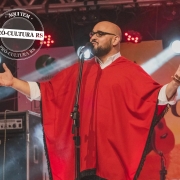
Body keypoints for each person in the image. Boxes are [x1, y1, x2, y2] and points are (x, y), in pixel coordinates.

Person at [0, 21, 180, 180]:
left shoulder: (130, 71)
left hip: (113, 159)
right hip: (83, 159)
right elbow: (46, 92)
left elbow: (157, 97)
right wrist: (13, 82)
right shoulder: (80, 70)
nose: (94, 37)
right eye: (92, 33)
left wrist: (175, 82)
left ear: (115, 40)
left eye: (100, 34)